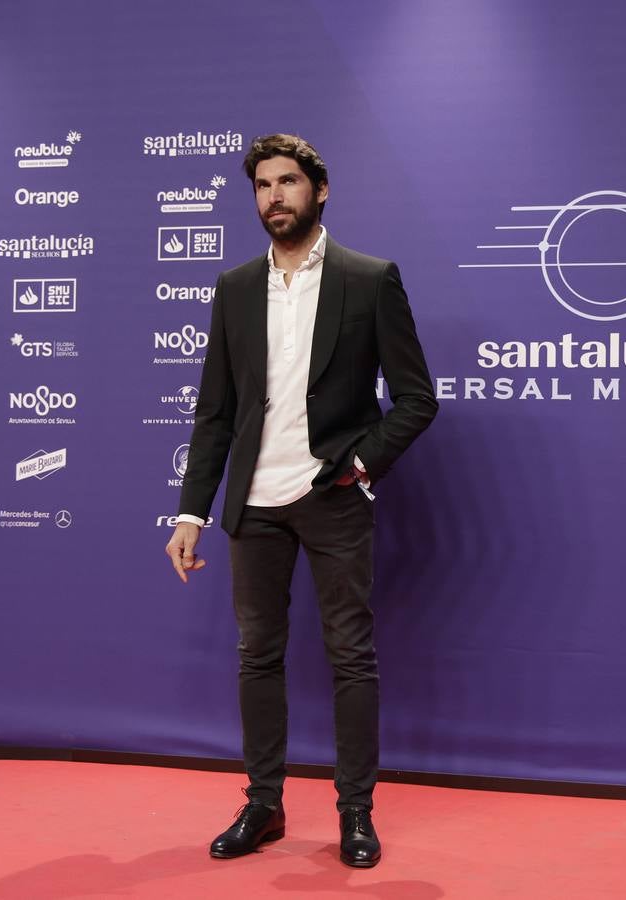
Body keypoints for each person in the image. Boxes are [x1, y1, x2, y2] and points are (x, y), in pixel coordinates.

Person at [164, 133, 437, 868]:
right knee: (257, 655)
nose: (273, 196)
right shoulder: (233, 288)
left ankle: (355, 815)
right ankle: (263, 806)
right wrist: (191, 512)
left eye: (286, 182)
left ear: (319, 190)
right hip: (251, 508)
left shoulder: (368, 278)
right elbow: (213, 413)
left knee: (351, 657)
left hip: (331, 498)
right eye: (261, 186)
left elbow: (416, 399)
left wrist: (357, 463)